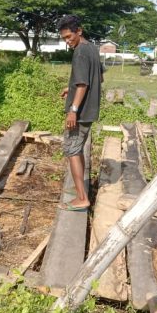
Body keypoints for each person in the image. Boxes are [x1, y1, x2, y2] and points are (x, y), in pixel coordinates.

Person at [57, 15, 104, 211]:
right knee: (77, 149)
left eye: (69, 36)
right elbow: (97, 78)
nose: (68, 41)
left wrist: (73, 110)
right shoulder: (91, 48)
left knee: (72, 151)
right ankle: (80, 190)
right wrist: (72, 88)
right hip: (90, 109)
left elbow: (84, 83)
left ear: (79, 31)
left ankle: (82, 197)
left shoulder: (80, 53)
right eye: (64, 39)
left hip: (81, 112)